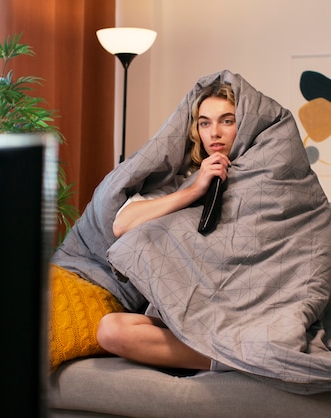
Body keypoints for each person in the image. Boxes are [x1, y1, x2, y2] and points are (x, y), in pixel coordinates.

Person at [96, 82, 237, 370]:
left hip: (232, 307)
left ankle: (240, 356)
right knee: (110, 330)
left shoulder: (265, 181)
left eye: (227, 121)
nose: (216, 132)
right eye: (205, 123)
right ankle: (226, 362)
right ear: (196, 131)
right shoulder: (180, 180)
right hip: (183, 310)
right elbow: (122, 223)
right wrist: (194, 191)